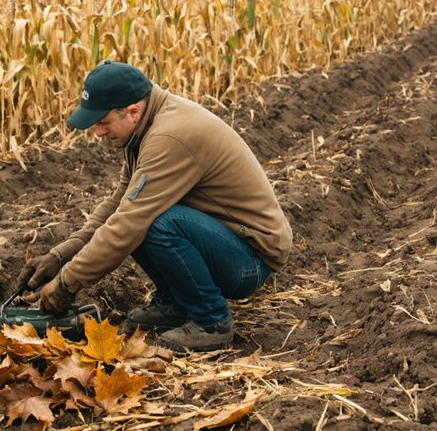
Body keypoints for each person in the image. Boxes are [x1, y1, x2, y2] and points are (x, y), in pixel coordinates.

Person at [21, 60, 292, 351]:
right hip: (224, 241)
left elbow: (129, 222)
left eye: (102, 122)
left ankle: (211, 320)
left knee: (155, 223)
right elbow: (119, 204)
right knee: (139, 213)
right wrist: (60, 255)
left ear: (133, 111)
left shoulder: (168, 137)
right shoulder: (144, 129)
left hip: (250, 260)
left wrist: (67, 284)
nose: (98, 132)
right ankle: (176, 303)